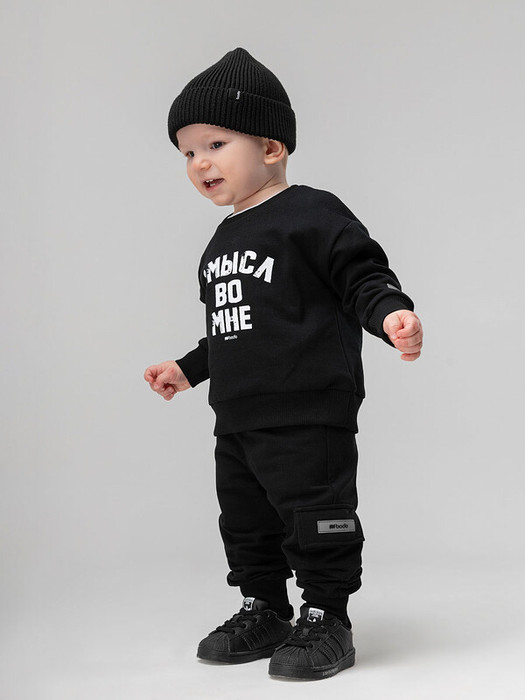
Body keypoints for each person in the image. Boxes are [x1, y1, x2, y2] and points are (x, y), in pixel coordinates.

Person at [144, 47, 423, 681]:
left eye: (215, 144)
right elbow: (233, 328)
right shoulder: (221, 241)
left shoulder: (313, 213)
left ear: (271, 147)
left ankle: (326, 615)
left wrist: (390, 314)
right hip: (238, 414)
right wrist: (188, 368)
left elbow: (362, 276)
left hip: (308, 407)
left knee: (315, 515)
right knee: (245, 521)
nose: (199, 163)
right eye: (187, 152)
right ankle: (264, 607)